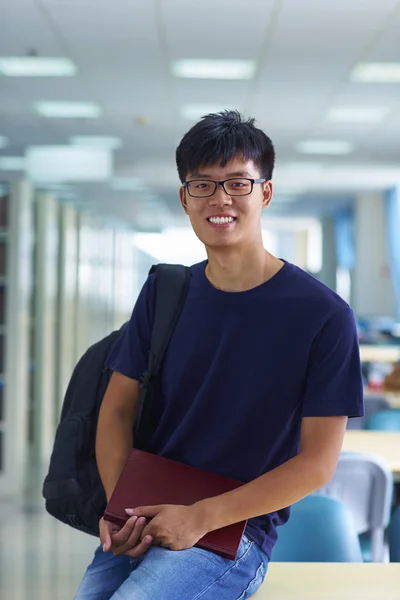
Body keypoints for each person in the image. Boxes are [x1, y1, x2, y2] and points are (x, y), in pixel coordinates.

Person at [74, 110, 364, 600]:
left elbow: (317, 463)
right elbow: (117, 408)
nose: (220, 199)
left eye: (237, 183)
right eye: (203, 185)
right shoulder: (166, 293)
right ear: (185, 198)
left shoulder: (324, 315)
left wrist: (199, 519)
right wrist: (118, 506)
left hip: (234, 532)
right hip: (144, 513)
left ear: (265, 193)